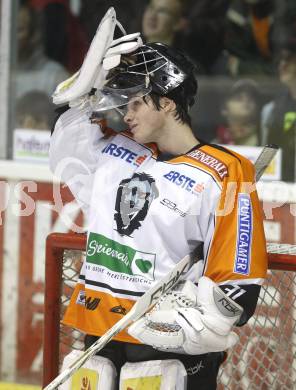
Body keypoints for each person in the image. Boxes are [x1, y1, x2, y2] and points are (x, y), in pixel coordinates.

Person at [49, 40, 268, 389]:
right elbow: (64, 137)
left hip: (168, 350)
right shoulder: (114, 151)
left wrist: (201, 324)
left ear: (166, 103)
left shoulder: (223, 171)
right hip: (100, 338)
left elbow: (238, 277)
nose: (126, 113)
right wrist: (87, 85)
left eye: (136, 102)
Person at [261, 36, 296, 182]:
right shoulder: (270, 111)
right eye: (280, 60)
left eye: (288, 60)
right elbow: (265, 162)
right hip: (279, 193)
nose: (282, 65)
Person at [215, 79, 262, 146]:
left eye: (251, 98)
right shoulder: (215, 143)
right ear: (224, 108)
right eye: (238, 98)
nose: (246, 101)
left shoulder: (263, 139)